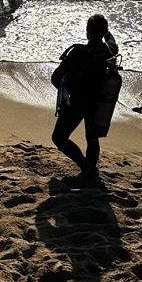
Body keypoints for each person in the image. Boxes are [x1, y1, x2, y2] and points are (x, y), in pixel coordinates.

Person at [50, 14, 120, 180]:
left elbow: (55, 78)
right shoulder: (109, 51)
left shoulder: (77, 52)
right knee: (92, 138)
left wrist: (66, 90)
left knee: (59, 137)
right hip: (97, 102)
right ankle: (90, 169)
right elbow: (113, 42)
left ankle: (85, 166)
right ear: (103, 32)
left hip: (76, 102)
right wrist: (106, 34)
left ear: (87, 32)